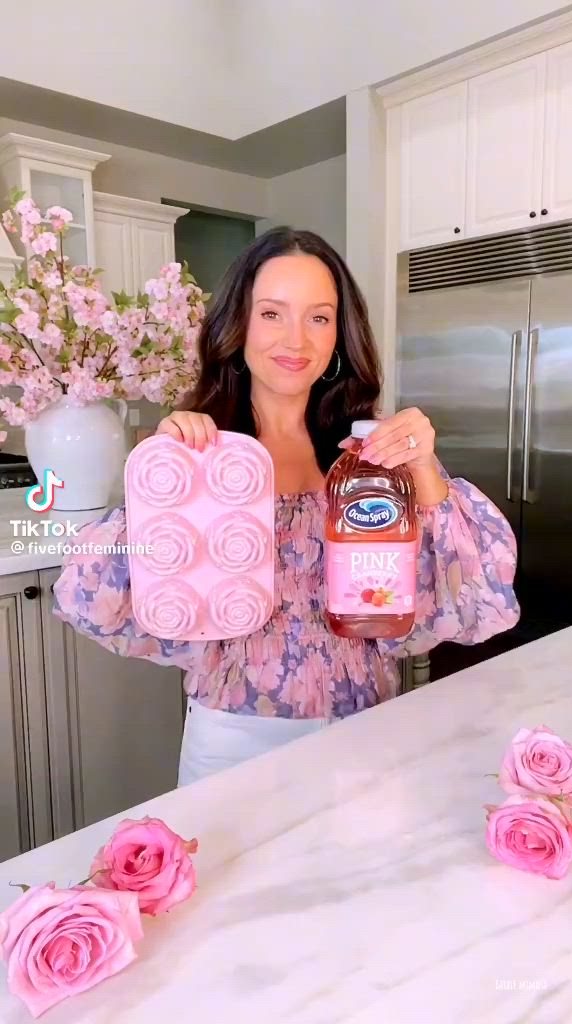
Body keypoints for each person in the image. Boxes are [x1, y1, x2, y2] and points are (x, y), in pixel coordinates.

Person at [52, 227, 520, 785]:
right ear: (238, 326)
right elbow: (89, 592)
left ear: (339, 338)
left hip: (368, 726)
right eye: (272, 313)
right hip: (234, 739)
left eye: (319, 317)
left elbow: (480, 586)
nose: (295, 340)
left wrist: (423, 467)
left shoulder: (371, 454)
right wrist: (162, 485)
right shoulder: (203, 459)